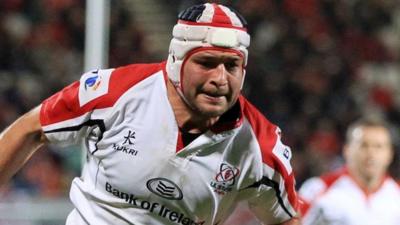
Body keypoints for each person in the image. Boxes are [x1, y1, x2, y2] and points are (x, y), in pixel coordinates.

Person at [0, 3, 301, 225]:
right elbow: (31, 128)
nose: (221, 79)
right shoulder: (116, 92)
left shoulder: (261, 147)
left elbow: (287, 219)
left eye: (232, 66)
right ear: (176, 60)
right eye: (207, 63)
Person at [299, 117, 400, 225]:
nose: (371, 153)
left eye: (378, 146)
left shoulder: (397, 194)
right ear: (347, 150)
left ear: (390, 154)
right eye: (363, 145)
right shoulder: (317, 189)